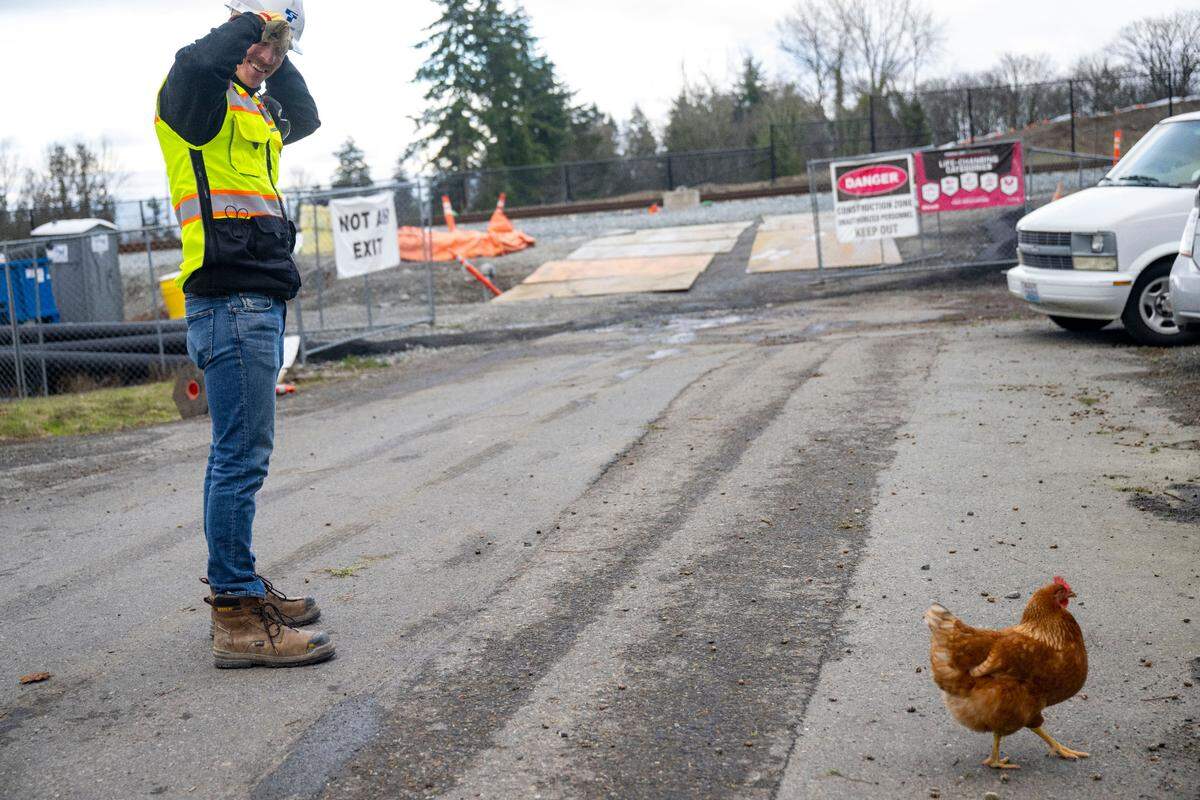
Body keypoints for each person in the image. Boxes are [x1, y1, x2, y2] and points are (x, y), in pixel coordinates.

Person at [155, 2, 334, 668]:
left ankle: (244, 585)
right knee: (239, 459)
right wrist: (258, 20)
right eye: (256, 48)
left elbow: (308, 118)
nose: (263, 58)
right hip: (229, 299)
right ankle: (235, 614)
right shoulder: (194, 100)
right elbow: (196, 60)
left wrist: (282, 48)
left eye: (276, 53)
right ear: (235, 37)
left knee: (238, 453)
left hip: (252, 297)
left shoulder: (253, 108)